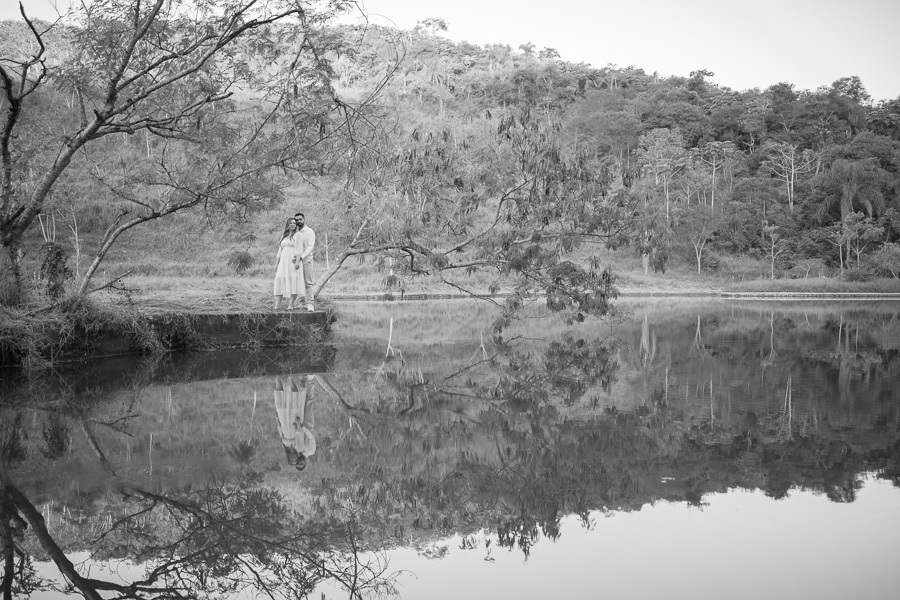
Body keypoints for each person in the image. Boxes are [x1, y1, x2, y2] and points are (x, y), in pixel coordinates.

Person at [273, 375, 316, 470]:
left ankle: (298, 378)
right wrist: (303, 427)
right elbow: (311, 437)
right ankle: (309, 379)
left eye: (297, 463)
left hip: (295, 422)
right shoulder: (310, 451)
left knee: (297, 400)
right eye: (301, 464)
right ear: (305, 463)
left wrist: (278, 422)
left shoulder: (295, 449)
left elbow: (282, 434)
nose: (299, 462)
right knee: (308, 400)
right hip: (307, 423)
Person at [273, 217, 306, 310]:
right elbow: (280, 250)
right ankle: (277, 305)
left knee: (293, 280)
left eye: (294, 223)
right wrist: (276, 263)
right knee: (279, 279)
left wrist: (297, 261)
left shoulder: (298, 235)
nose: (293, 225)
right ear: (287, 224)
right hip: (283, 261)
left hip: (293, 260)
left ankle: (290, 305)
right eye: (291, 223)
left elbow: (299, 249)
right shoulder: (284, 235)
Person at [293, 211, 316, 312]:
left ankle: (310, 303)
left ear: (304, 219)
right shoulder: (294, 232)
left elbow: (310, 247)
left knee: (308, 282)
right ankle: (301, 303)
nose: (298, 221)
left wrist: (301, 257)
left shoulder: (310, 231)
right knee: (298, 282)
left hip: (306, 260)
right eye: (296, 220)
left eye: (300, 219)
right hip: (296, 261)